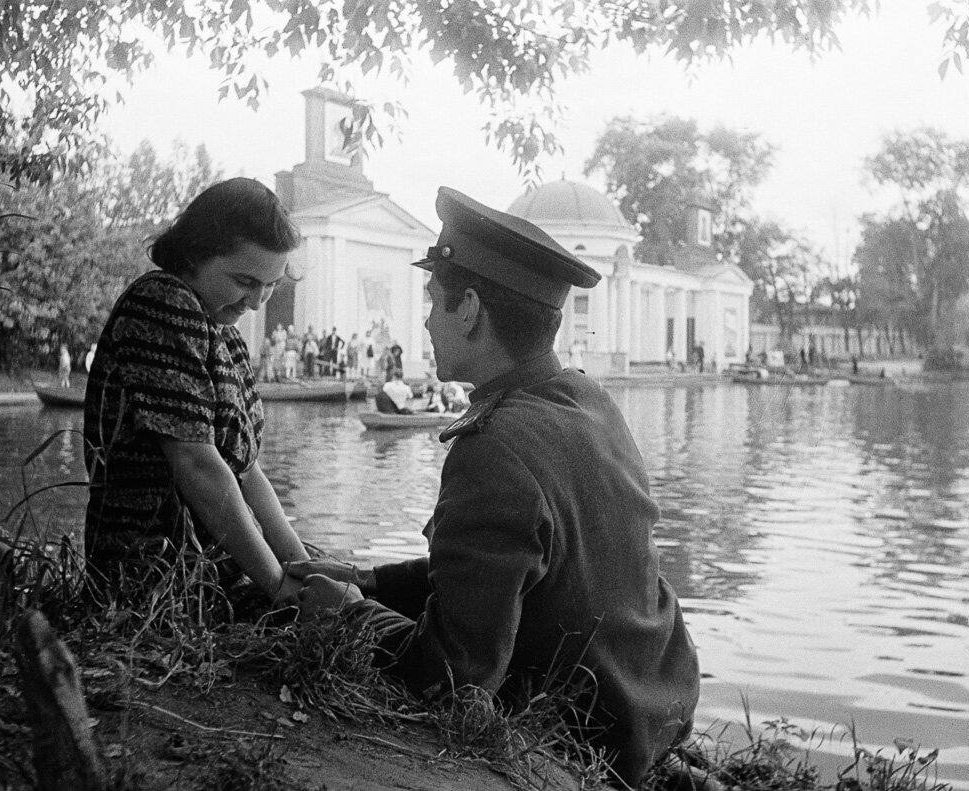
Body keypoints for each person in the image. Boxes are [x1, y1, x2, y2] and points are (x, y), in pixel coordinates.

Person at [289, 187, 699, 789]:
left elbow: (456, 674)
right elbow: (503, 569)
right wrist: (372, 582)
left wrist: (351, 616)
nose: (426, 319)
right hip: (654, 703)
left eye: (434, 300)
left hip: (586, 738)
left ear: (471, 308)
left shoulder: (494, 447)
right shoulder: (588, 400)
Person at [83, 177, 310, 606]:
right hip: (154, 584)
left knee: (357, 597)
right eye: (245, 280)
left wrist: (303, 568)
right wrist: (281, 589)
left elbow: (248, 472)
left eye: (272, 284)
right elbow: (196, 464)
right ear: (193, 254)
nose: (258, 301)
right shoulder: (163, 301)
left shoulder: (227, 338)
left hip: (215, 575)